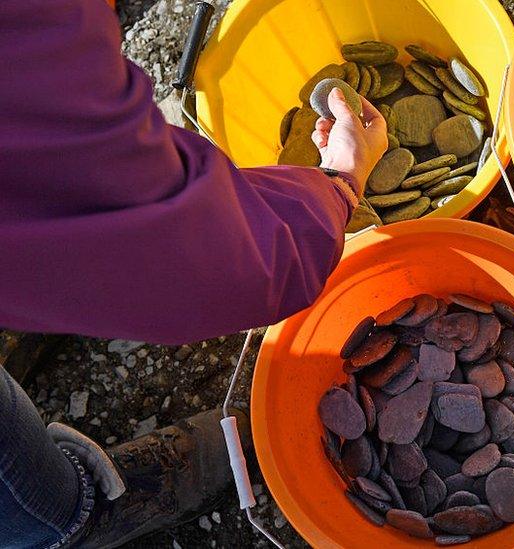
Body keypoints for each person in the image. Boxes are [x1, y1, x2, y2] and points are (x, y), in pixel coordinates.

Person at [0, 0, 388, 546]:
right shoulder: (29, 34)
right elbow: (185, 252)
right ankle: (69, 516)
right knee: (25, 497)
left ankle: (28, 298)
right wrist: (338, 185)